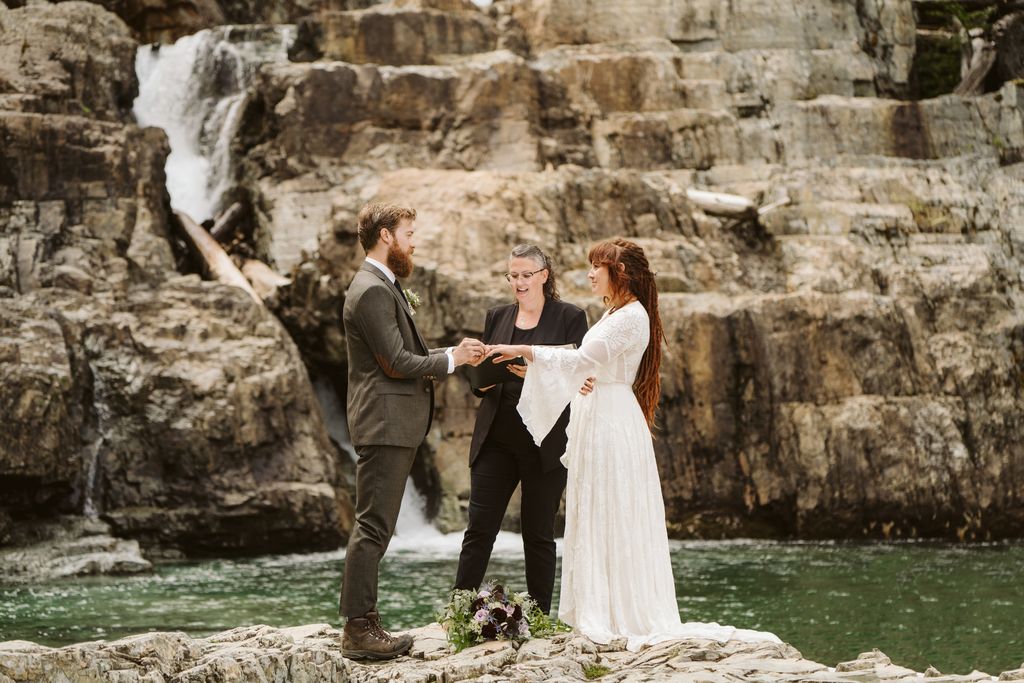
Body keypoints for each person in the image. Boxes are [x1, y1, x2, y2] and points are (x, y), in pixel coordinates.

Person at [487, 238, 779, 651]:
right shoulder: (615, 312)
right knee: (597, 510)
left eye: (596, 267)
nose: (589, 274)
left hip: (612, 421)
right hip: (599, 412)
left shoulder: (630, 317)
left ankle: (616, 612)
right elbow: (586, 365)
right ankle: (601, 606)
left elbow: (580, 360)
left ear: (619, 273)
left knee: (613, 509)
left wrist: (525, 350)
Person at [340, 202, 485, 660]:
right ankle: (359, 629)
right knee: (373, 526)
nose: (414, 241)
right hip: (384, 424)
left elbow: (402, 353)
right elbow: (396, 363)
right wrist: (452, 361)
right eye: (409, 232)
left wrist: (453, 352)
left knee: (376, 526)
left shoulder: (384, 285)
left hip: (392, 423)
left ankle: (364, 622)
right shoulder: (371, 291)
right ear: (386, 235)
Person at [454, 244, 589, 615]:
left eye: (525, 274)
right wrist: (480, 375)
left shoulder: (571, 317)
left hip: (545, 442)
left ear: (544, 275)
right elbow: (479, 384)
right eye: (512, 275)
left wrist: (537, 372)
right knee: (479, 531)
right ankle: (458, 612)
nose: (518, 282)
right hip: (496, 438)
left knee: (539, 534)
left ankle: (540, 617)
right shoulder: (497, 316)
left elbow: (582, 376)